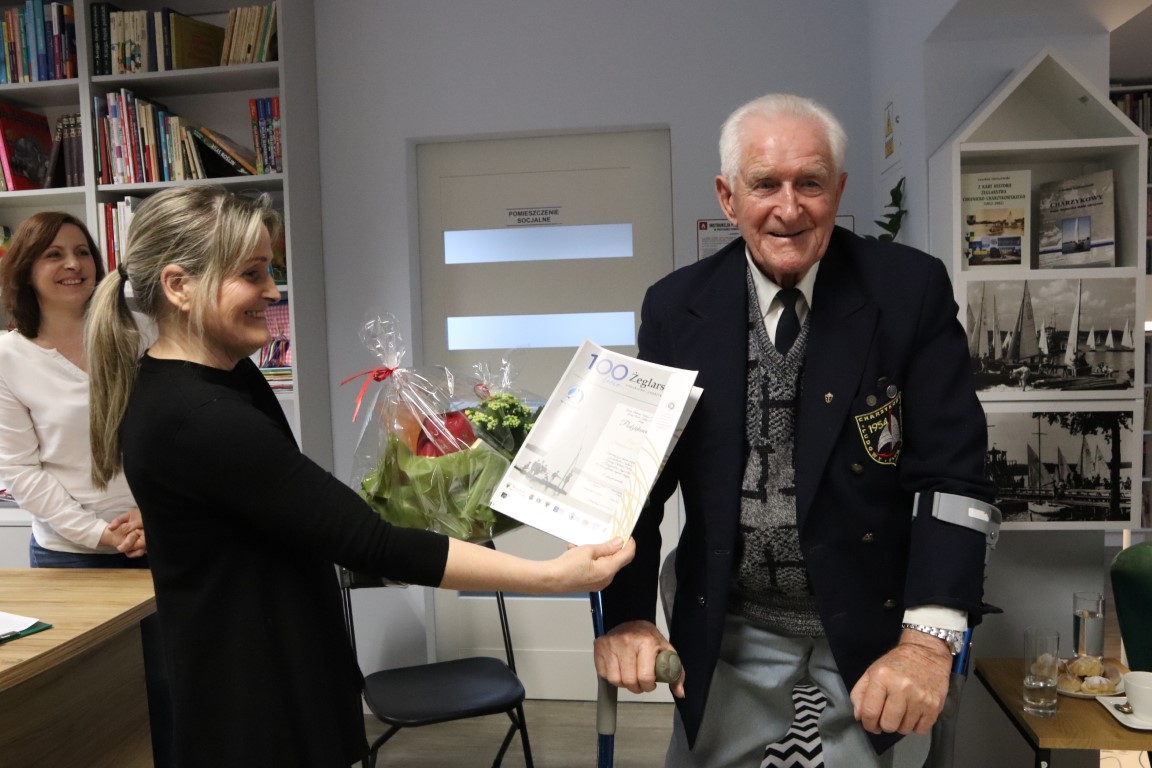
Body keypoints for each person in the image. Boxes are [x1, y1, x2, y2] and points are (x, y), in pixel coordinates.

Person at [86, 185, 635, 768]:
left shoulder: (219, 380)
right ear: (178, 286)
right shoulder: (202, 417)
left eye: (270, 270)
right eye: (251, 274)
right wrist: (550, 577)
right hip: (253, 704)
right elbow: (368, 541)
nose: (271, 291)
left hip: (270, 671)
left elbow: (275, 511)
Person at [594, 94, 996, 767]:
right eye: (765, 185)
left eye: (810, 182)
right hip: (729, 623)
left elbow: (954, 476)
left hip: (877, 621)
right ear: (727, 197)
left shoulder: (909, 290)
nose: (789, 208)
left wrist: (928, 643)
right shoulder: (674, 307)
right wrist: (630, 615)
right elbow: (639, 479)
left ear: (838, 190)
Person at [0, 212, 145, 566]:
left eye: (82, 252)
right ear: (26, 270)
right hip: (67, 553)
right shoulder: (8, 357)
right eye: (54, 254)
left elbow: (178, 433)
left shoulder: (141, 332)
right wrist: (98, 532)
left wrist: (153, 513)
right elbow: (19, 469)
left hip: (158, 533)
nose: (73, 264)